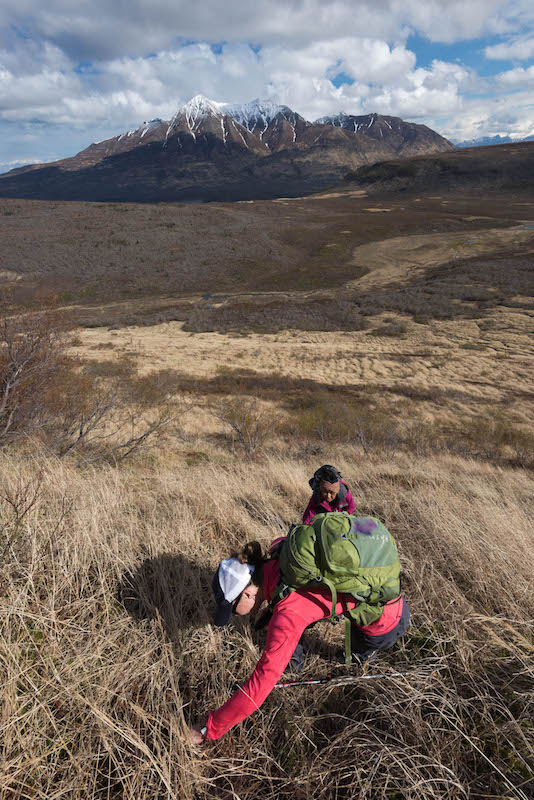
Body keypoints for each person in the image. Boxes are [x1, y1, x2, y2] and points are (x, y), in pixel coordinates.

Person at [190, 538, 410, 744]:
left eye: (233, 610)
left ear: (247, 593)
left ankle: (352, 666)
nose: (236, 616)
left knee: (354, 662)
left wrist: (208, 729)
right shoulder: (280, 551)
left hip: (386, 622)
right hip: (382, 593)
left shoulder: (288, 615)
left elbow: (261, 684)